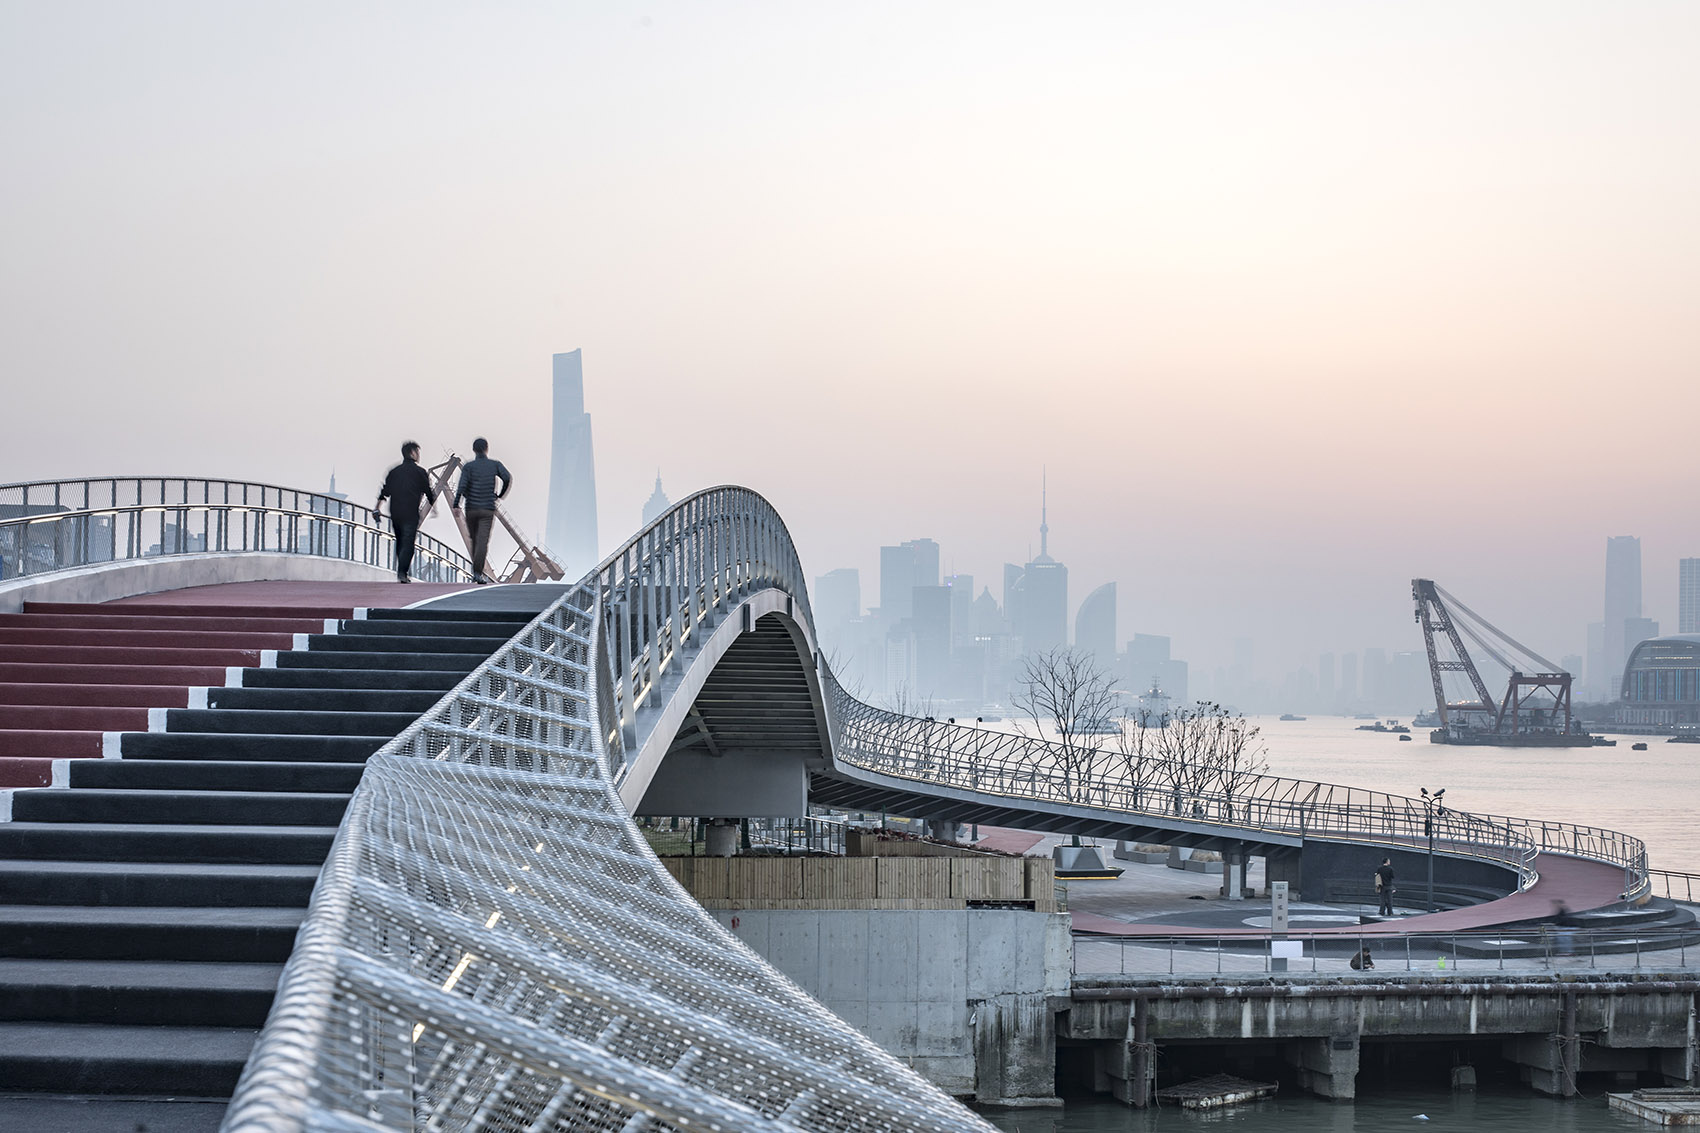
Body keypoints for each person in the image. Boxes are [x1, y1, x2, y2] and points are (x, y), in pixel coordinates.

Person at [453, 437, 512, 584]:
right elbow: (507, 478)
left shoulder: (468, 467)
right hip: (487, 509)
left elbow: (462, 486)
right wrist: (500, 495)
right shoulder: (495, 465)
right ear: (487, 448)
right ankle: (478, 573)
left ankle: (476, 572)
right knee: (482, 542)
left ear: (474, 450)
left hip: (471, 508)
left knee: (474, 540)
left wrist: (456, 504)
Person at [375, 441, 435, 583]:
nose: (419, 455)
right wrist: (434, 508)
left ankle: (401, 572)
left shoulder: (394, 471)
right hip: (410, 512)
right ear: (412, 453)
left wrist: (377, 507)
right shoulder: (420, 472)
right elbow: (429, 492)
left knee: (400, 541)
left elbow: (384, 492)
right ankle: (402, 572)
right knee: (408, 543)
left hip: (395, 512)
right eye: (417, 452)